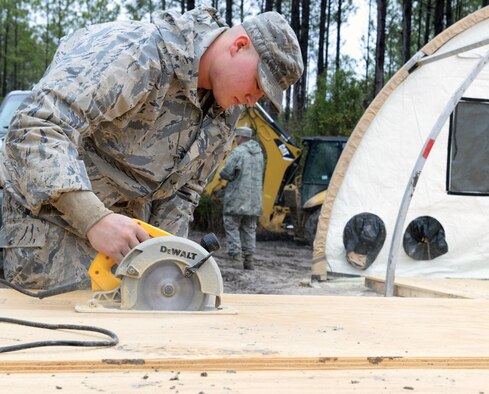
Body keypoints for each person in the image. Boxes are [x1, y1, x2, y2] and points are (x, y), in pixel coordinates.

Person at [0, 7, 303, 289]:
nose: (253, 99)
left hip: (123, 246)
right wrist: (93, 218)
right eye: (258, 84)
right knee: (68, 341)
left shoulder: (225, 111)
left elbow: (184, 191)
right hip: (51, 229)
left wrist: (168, 264)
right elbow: (36, 127)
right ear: (238, 45)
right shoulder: (138, 51)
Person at [219, 126, 264, 270]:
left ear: (240, 137)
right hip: (254, 201)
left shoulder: (238, 152)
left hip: (236, 198)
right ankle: (249, 260)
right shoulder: (259, 154)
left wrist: (225, 175)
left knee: (232, 226)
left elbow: (226, 172)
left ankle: (235, 259)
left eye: (236, 137)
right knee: (250, 229)